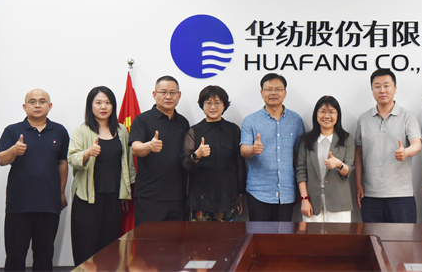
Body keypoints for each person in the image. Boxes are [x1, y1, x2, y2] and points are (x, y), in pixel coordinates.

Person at [0, 89, 69, 271]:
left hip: (49, 204)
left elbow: (62, 162)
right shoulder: (12, 130)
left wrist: (61, 192)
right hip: (19, 205)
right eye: (32, 101)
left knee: (44, 258)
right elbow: (1, 160)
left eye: (42, 101)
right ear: (24, 106)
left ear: (49, 106)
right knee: (15, 257)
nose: (37, 105)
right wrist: (14, 150)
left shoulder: (59, 131)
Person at [67, 86, 136, 265]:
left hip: (113, 198)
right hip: (87, 199)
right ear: (90, 106)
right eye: (98, 103)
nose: (103, 107)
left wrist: (127, 192)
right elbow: (72, 158)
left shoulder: (121, 130)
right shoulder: (82, 130)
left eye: (108, 102)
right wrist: (88, 153)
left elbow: (128, 164)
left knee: (109, 249)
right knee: (86, 247)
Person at [354, 68, 422, 223]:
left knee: (403, 239)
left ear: (395, 88)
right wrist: (358, 184)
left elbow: (417, 144)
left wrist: (406, 152)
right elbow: (358, 152)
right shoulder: (363, 119)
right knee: (372, 238)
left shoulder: (407, 117)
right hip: (370, 195)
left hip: (401, 196)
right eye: (377, 86)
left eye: (386, 85)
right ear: (372, 90)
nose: (382, 90)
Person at [240, 73, 305, 221]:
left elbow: (299, 156)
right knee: (259, 234)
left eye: (278, 89)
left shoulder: (295, 120)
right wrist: (252, 150)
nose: (273, 93)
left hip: (287, 192)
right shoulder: (250, 120)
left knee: (283, 235)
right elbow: (243, 150)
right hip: (258, 192)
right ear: (261, 93)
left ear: (285, 93)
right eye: (269, 89)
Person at [129, 75, 190, 225]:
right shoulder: (142, 120)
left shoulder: (183, 122)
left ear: (179, 95)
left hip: (178, 197)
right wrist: (149, 146)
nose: (168, 96)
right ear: (154, 94)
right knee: (148, 239)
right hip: (150, 196)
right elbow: (135, 149)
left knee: (177, 239)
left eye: (173, 92)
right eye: (163, 92)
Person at [181, 85, 246, 221]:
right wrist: (197, 155)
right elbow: (185, 165)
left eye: (217, 103)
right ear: (202, 105)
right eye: (208, 103)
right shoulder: (194, 131)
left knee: (228, 235)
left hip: (228, 197)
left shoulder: (233, 130)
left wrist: (240, 193)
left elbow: (239, 164)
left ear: (224, 105)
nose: (213, 107)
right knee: (201, 235)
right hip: (201, 198)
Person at [296, 96, 355, 222]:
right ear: (316, 114)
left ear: (338, 115)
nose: (327, 116)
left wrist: (339, 164)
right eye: (322, 111)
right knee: (312, 235)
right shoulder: (306, 140)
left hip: (339, 202)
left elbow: (349, 171)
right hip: (312, 202)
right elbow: (301, 171)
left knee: (339, 235)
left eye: (331, 112)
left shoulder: (347, 139)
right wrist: (304, 199)